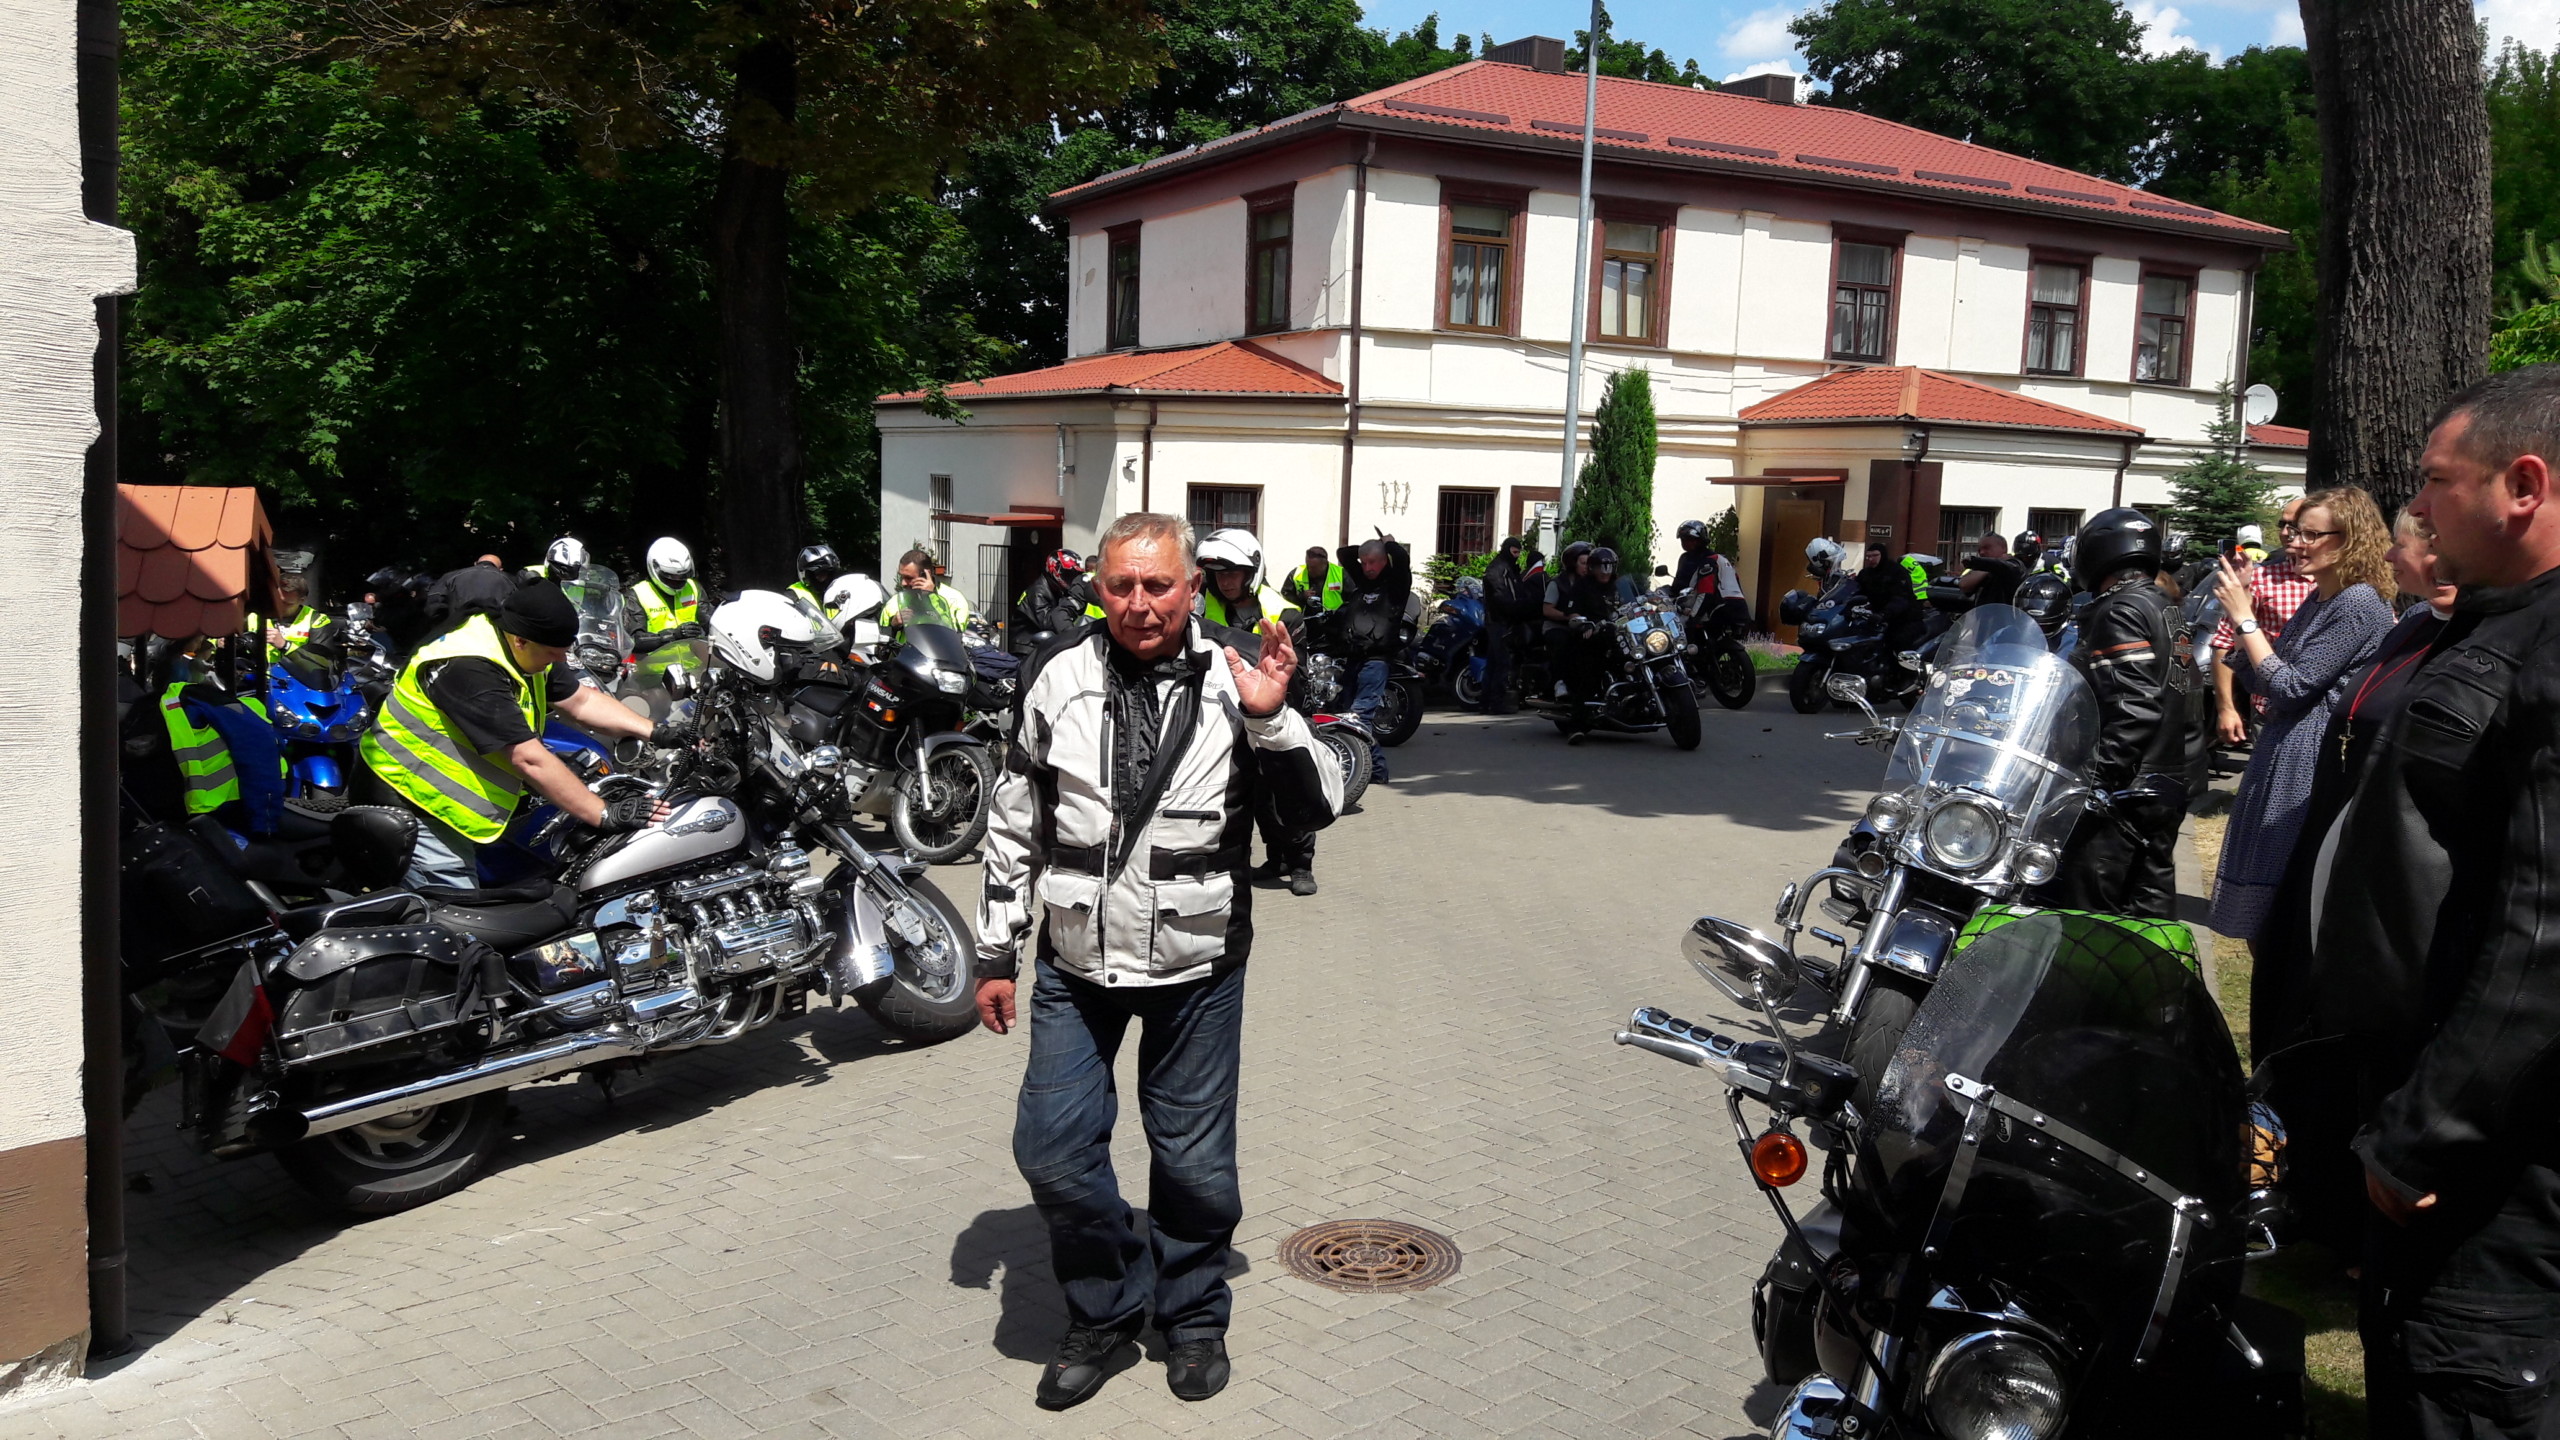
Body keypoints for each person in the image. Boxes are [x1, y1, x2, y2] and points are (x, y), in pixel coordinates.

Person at [972, 512, 1340, 1412]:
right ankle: (1104, 1310)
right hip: (1075, 963)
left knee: (1194, 1163)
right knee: (1051, 1151)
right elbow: (1016, 820)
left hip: (1197, 962)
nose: (1140, 604)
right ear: (1098, 588)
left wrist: (1273, 720)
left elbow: (1316, 808)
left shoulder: (1239, 670)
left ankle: (1193, 1314)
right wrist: (995, 948)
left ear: (1192, 586)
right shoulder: (1054, 672)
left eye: (1159, 585)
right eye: (1121, 585)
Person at [2272, 368, 2560, 1440]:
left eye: (2439, 481)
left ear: (2522, 486)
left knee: (2463, 1386)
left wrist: (2425, 1133)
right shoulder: (2490, 627)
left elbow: (2544, 934)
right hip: (2412, 1101)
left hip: (2487, 1170)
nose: (2422, 508)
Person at [2254, 508, 2460, 1256]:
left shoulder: (2468, 639)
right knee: (2305, 1008)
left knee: (2373, 1037)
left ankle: (2351, 1220)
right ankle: (2308, 1189)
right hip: (2338, 834)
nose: (2391, 556)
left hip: (2403, 873)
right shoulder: (2412, 626)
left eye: (2402, 543)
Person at [2208, 487, 2394, 1052]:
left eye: (2312, 534)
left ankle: (2288, 1043)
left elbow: (2289, 687)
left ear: (2351, 539)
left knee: (2281, 915)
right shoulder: (2319, 597)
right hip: (2281, 753)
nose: (2295, 542)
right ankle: (2274, 1035)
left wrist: (2246, 622)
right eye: (2293, 531)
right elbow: (2267, 674)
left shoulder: (2359, 604)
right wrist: (2240, 624)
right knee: (2261, 919)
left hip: (2307, 763)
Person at [356, 581, 683, 890]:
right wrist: (604, 813)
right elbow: (529, 759)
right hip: (411, 800)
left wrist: (658, 731)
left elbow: (581, 701)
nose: (560, 660)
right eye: (553, 653)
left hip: (449, 803)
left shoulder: (526, 641)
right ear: (520, 641)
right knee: (456, 917)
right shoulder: (468, 666)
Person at [2028, 509, 2187, 918]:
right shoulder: (2162, 605)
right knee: (2147, 908)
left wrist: (2094, 781)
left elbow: (2134, 706)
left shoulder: (2119, 609)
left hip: (2125, 789)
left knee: (2092, 911)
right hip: (2164, 777)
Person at [1196, 530, 1318, 897]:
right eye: (1218, 574)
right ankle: (1274, 859)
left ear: (1252, 571)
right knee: (1249, 798)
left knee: (1284, 795)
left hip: (1273, 715)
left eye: (1233, 573)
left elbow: (1296, 674)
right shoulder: (1204, 605)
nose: (1225, 581)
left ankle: (1300, 864)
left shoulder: (1283, 612)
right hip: (1225, 716)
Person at [2211, 496, 2313, 742]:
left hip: (2324, 710)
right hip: (2270, 708)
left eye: (2294, 525)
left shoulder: (2344, 582)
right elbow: (2224, 643)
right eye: (2282, 524)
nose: (2286, 532)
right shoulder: (2260, 579)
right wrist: (2226, 708)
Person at [1331, 535, 1410, 783]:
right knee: (1348, 716)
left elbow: (1402, 559)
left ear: (1385, 560)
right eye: (1364, 563)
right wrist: (1369, 548)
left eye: (1373, 562)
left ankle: (1375, 771)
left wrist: (1388, 544)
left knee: (1359, 716)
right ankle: (1376, 770)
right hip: (1354, 658)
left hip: (1377, 661)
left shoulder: (1396, 583)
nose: (1367, 568)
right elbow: (1344, 554)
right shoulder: (1364, 582)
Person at [1478, 536, 1533, 715]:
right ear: (1508, 550)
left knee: (1494, 662)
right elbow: (1501, 595)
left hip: (1502, 620)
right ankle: (1495, 702)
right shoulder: (1498, 569)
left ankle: (1486, 702)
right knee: (1501, 662)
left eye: (1518, 553)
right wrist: (1516, 608)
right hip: (1499, 621)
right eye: (1514, 552)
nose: (1517, 556)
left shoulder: (1506, 568)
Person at [626, 537, 703, 655]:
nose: (678, 581)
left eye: (683, 576)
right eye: (671, 577)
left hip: (693, 661)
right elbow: (634, 640)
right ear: (655, 569)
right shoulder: (636, 595)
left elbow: (712, 623)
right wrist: (673, 635)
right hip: (653, 664)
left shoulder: (693, 587)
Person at [1019, 548, 1102, 644]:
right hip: (1026, 644)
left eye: (1076, 575)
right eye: (1068, 574)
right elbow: (1050, 623)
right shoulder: (1038, 592)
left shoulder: (1057, 589)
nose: (1072, 579)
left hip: (1045, 642)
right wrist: (1068, 604)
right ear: (1055, 569)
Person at [424, 554, 516, 640]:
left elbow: (434, 604)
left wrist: (444, 625)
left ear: (475, 563)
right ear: (501, 569)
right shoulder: (510, 580)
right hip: (494, 636)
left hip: (455, 632)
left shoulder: (450, 576)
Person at [886, 547, 973, 633]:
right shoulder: (894, 602)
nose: (903, 583)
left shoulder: (955, 600)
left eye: (909, 578)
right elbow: (882, 635)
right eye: (901, 577)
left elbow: (954, 634)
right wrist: (893, 625)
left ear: (925, 575)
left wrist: (931, 596)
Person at [1958, 531, 2024, 606]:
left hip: (2006, 612)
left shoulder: (2014, 564)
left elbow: (2010, 569)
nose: (1982, 552)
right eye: (1979, 550)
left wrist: (1992, 564)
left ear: (2003, 548)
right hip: (1984, 612)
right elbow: (1964, 585)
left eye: (1987, 548)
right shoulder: (1984, 568)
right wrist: (1987, 568)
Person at [788, 544, 846, 621]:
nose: (824, 578)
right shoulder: (793, 594)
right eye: (819, 573)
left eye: (828, 573)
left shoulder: (838, 594)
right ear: (807, 575)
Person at [1280, 545, 1343, 613]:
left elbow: (1350, 600)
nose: (1309, 570)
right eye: (1308, 566)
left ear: (1325, 564)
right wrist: (1301, 596)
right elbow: (1285, 595)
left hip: (1335, 617)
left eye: (1313, 568)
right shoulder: (1296, 573)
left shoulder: (1341, 574)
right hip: (1304, 618)